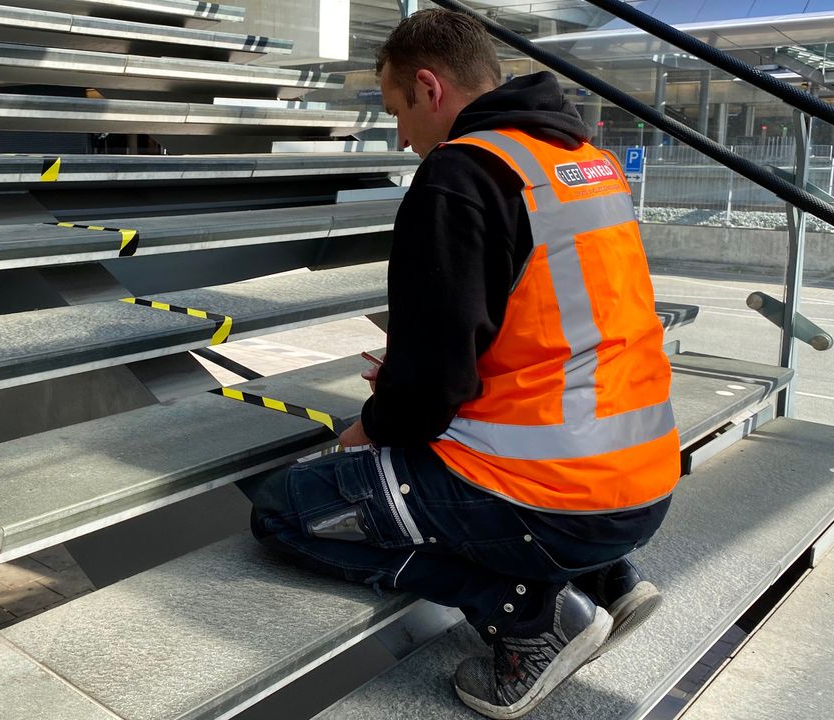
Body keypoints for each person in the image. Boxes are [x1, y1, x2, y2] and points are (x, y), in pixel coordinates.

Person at [247, 8, 680, 719]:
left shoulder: (461, 174)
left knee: (284, 509)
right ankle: (609, 580)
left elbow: (433, 387)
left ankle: (529, 618)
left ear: (429, 88)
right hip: (641, 481)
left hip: (552, 499)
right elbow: (555, 327)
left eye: (396, 112)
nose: (401, 136)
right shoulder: (579, 160)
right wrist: (417, 367)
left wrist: (377, 423)